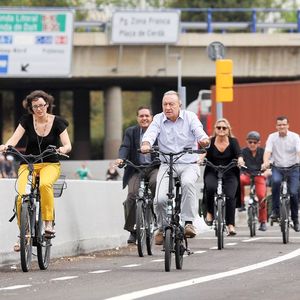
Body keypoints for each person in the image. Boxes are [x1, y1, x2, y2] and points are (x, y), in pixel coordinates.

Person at [0, 90, 72, 251]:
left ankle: (48, 223)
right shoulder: (26, 120)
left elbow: (68, 145)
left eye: (41, 105)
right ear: (31, 108)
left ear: (47, 105)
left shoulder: (58, 122)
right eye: (35, 107)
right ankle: (24, 234)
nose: (39, 109)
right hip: (28, 163)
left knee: (44, 185)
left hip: (50, 164)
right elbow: (14, 138)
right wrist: (6, 146)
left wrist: (62, 149)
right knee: (21, 197)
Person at [141, 90, 210, 245]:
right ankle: (161, 228)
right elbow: (150, 134)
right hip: (167, 164)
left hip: (188, 163)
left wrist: (204, 140)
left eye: (171, 104)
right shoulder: (158, 119)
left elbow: (199, 131)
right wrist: (146, 144)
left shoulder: (190, 117)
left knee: (187, 183)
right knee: (159, 199)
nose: (167, 107)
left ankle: (188, 223)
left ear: (179, 105)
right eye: (165, 104)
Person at [115, 106, 159, 244]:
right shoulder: (131, 132)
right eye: (141, 116)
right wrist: (121, 158)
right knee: (131, 196)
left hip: (154, 167)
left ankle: (156, 214)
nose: (144, 118)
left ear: (152, 118)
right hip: (136, 169)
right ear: (137, 118)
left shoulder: (158, 131)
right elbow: (125, 147)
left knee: (155, 183)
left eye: (147, 116)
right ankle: (133, 230)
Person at [202, 118, 244, 236]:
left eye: (224, 128)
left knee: (230, 196)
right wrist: (200, 159)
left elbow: (239, 154)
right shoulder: (210, 141)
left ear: (228, 130)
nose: (221, 130)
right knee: (210, 188)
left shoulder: (233, 141)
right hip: (212, 171)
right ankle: (210, 212)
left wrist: (240, 160)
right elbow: (204, 153)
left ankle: (230, 224)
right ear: (215, 129)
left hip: (230, 172)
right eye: (218, 127)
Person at [262, 116, 300, 232]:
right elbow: (268, 151)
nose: (281, 127)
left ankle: (295, 219)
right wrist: (265, 162)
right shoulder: (272, 137)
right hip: (277, 167)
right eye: (279, 125)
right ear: (276, 126)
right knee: (276, 182)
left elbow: (299, 151)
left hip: (293, 167)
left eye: (284, 124)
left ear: (288, 125)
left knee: (294, 192)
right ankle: (275, 211)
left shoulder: (295, 137)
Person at [240, 131, 270, 231]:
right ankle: (241, 203)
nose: (252, 144)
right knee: (238, 180)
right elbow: (239, 163)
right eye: (250, 142)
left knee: (261, 196)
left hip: (259, 176)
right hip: (247, 175)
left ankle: (263, 222)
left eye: (254, 142)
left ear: (259, 143)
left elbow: (268, 164)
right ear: (247, 142)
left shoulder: (263, 152)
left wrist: (266, 170)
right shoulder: (243, 152)